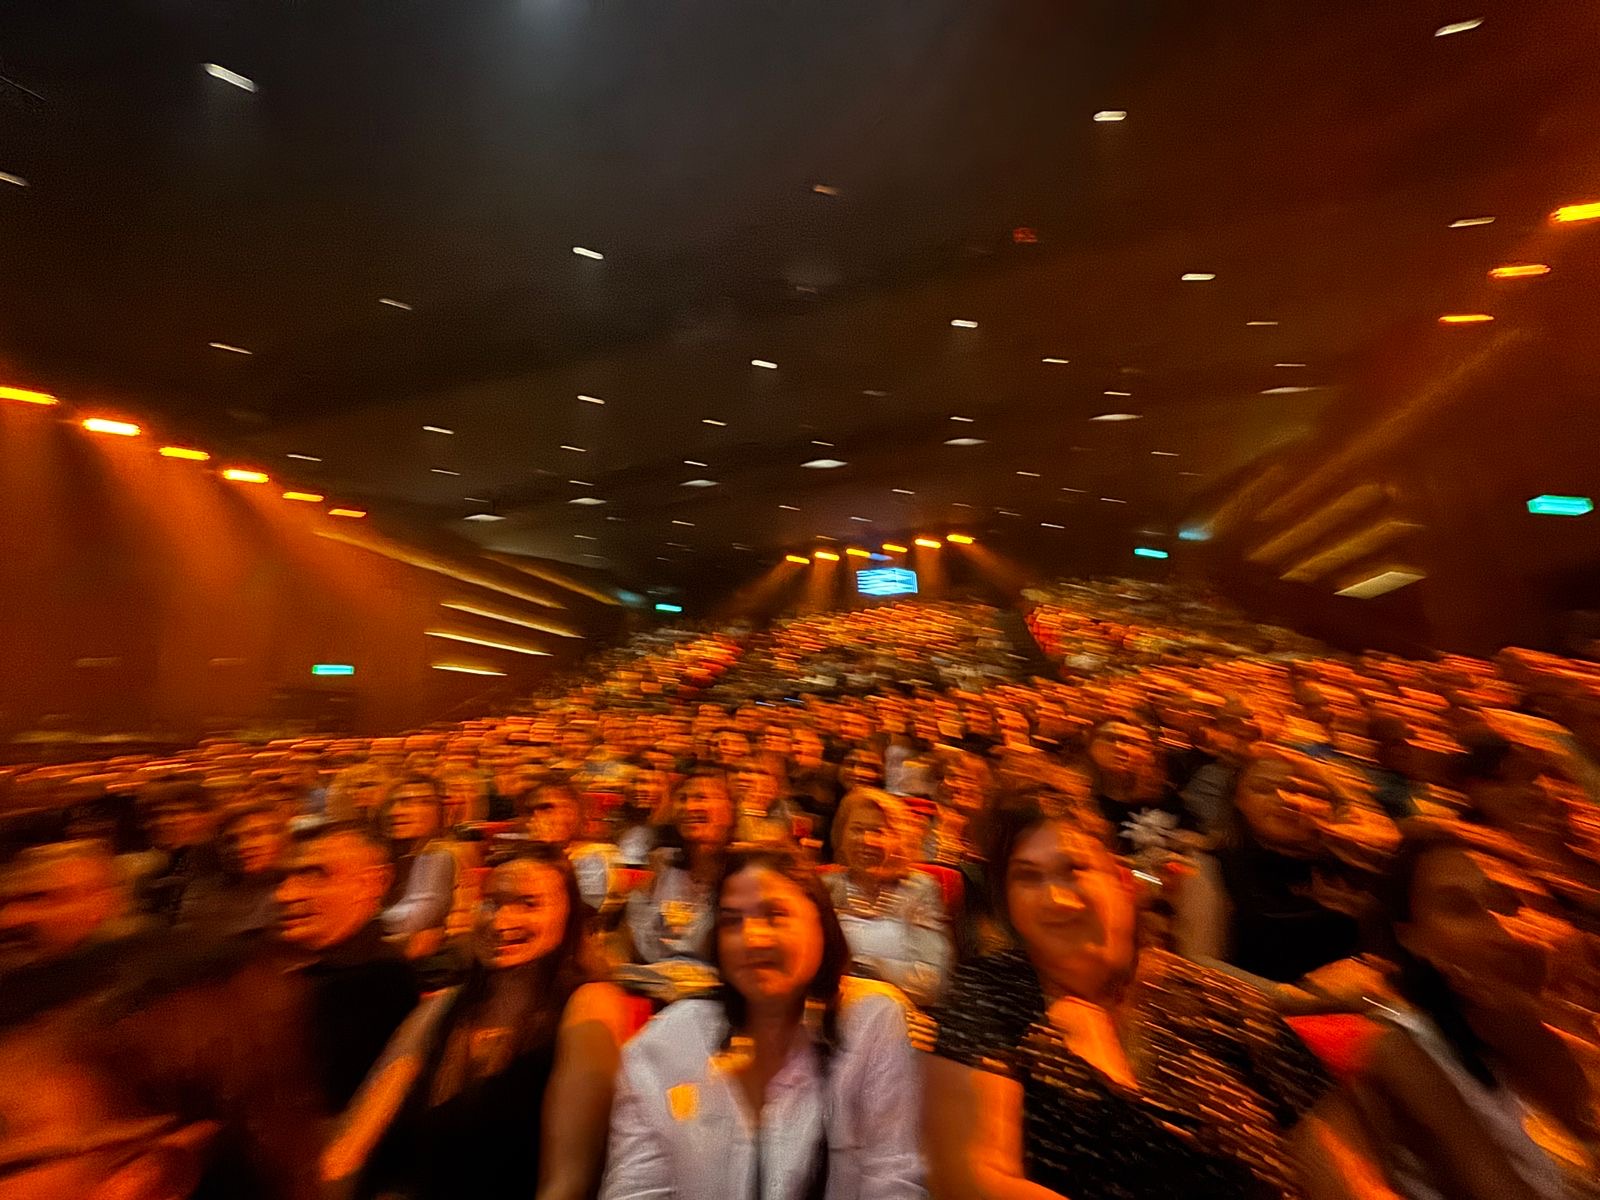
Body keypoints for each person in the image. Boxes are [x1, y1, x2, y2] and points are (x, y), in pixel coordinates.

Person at [925, 788, 1388, 1200]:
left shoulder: (1223, 1001)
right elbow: (973, 1180)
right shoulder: (991, 994)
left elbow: (1344, 1172)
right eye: (1028, 878)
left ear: (1121, 881)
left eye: (1074, 869)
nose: (1055, 898)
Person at [603, 848, 925, 1199]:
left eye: (775, 915)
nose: (752, 939)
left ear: (822, 926)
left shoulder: (868, 1024)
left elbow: (893, 1179)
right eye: (732, 921)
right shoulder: (668, 1043)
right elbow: (637, 1190)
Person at [325, 851, 632, 1200]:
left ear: (569, 917)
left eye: (528, 904)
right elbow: (355, 1138)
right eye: (491, 903)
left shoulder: (589, 1003)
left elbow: (569, 1178)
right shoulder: (442, 1008)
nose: (500, 921)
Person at [1353, 822, 1600, 1200]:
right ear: (1412, 938)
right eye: (1461, 908)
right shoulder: (1401, 1048)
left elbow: (1582, 1120)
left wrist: (1529, 1015)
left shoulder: (1512, 1027)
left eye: (1506, 903)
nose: (1496, 926)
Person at [1174, 748, 1393, 1012]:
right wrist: (1295, 998)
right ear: (1238, 800)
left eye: (1309, 791)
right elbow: (1199, 960)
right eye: (1264, 789)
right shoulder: (1213, 864)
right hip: (1259, 1015)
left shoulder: (1353, 866)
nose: (1285, 799)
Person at [275, 822, 420, 1113]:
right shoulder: (292, 967)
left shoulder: (376, 980)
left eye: (314, 875)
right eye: (283, 878)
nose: (285, 895)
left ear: (370, 884)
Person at [825, 788, 951, 1007]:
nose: (866, 840)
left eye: (878, 831)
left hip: (904, 1013)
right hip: (833, 1008)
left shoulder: (920, 889)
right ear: (841, 835)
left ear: (898, 839)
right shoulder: (825, 888)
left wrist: (861, 966)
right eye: (857, 829)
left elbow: (933, 981)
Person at [625, 770, 734, 966]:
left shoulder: (742, 872)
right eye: (682, 799)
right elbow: (636, 939)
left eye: (701, 797)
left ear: (730, 810)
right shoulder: (660, 865)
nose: (689, 807)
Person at [376, 776, 461, 951]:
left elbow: (414, 918)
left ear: (440, 810)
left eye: (411, 803)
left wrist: (362, 920)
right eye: (393, 803)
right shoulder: (400, 855)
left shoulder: (441, 853)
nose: (396, 812)